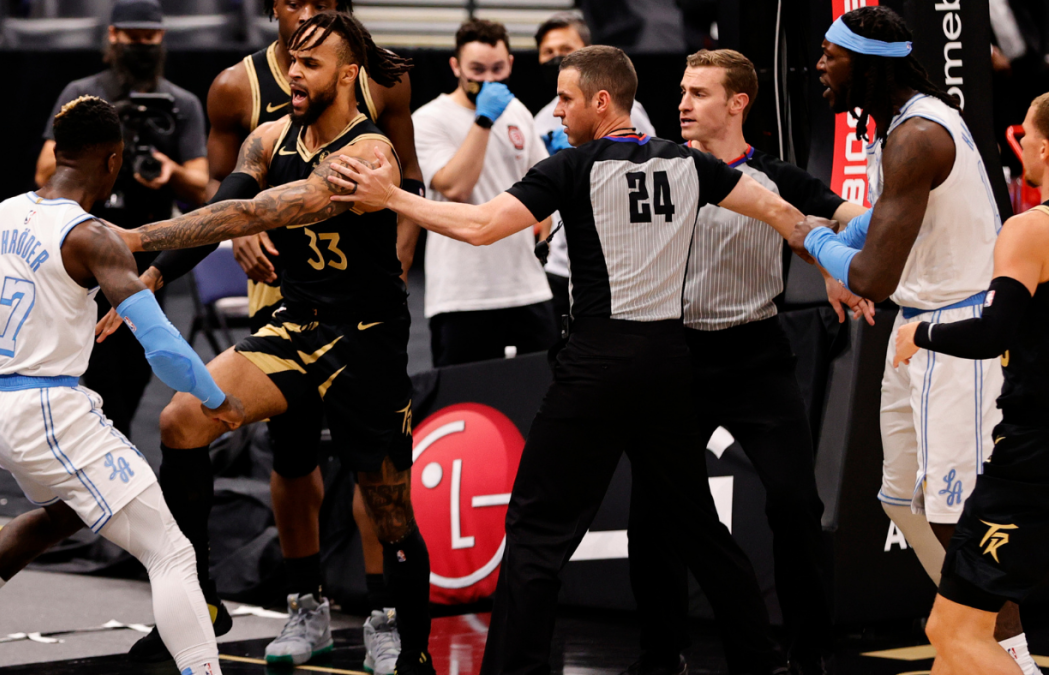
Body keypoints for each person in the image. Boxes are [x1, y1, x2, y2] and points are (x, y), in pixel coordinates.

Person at [329, 44, 823, 675]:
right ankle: (761, 663)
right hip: (671, 367)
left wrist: (391, 197)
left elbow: (480, 226)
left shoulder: (572, 167)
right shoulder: (689, 165)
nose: (555, 111)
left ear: (600, 101)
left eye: (564, 98)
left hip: (597, 366)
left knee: (537, 534)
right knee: (698, 527)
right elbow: (780, 211)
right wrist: (838, 262)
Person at [113, 13, 436, 674]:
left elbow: (258, 213)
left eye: (311, 64)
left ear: (349, 75)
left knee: (385, 498)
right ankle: (221, 600)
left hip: (365, 337)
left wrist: (139, 238)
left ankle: (393, 625)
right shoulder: (267, 137)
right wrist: (152, 274)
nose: (294, 72)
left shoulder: (370, 153)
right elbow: (225, 203)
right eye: (292, 60)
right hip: (296, 322)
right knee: (183, 419)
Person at [0, 95, 241, 675]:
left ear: (56, 152)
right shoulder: (92, 236)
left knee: (65, 511)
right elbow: (161, 345)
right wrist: (216, 398)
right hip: (48, 411)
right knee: (172, 551)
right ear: (112, 162)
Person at [789, 7, 1039, 674]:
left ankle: (1005, 653)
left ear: (868, 65)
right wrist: (845, 226)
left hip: (958, 335)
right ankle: (965, 636)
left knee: (959, 518)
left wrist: (809, 237)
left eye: (829, 54)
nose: (818, 65)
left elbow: (872, 275)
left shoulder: (921, 134)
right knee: (900, 498)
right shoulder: (900, 128)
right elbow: (893, 213)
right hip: (914, 328)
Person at [623, 49, 869, 675]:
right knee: (651, 511)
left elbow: (848, 221)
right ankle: (660, 654)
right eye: (682, 91)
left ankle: (810, 652)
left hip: (756, 355)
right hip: (678, 357)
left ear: (738, 103)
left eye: (699, 93)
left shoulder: (777, 177)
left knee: (795, 503)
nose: (682, 103)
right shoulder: (659, 170)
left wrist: (846, 262)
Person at [894, 92, 1049, 675]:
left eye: (1028, 135)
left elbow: (991, 334)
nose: (1023, 145)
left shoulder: (1030, 230)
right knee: (954, 641)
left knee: (954, 630)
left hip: (1031, 458)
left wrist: (923, 333)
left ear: (1045, 147)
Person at [34, 0, 209, 435]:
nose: (141, 46)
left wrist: (171, 172)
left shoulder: (181, 103)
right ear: (113, 35)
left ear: (162, 39)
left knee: (136, 364)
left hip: (147, 247)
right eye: (133, 37)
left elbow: (202, 184)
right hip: (84, 244)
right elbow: (42, 173)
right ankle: (102, 442)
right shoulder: (82, 94)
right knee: (92, 360)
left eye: (149, 38)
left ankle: (116, 437)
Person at [414, 19, 555, 366]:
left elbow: (546, 187)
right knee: (467, 402)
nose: (488, 80)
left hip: (527, 287)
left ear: (510, 63)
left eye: (497, 69)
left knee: (541, 396)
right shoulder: (430, 118)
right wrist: (484, 120)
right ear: (456, 66)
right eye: (477, 70)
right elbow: (455, 187)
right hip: (464, 292)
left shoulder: (518, 111)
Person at [532, 13, 656, 322]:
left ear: (586, 50)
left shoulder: (625, 112)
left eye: (565, 49)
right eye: (548, 52)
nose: (555, 58)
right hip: (560, 262)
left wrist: (588, 159)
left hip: (617, 261)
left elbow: (650, 171)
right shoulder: (539, 119)